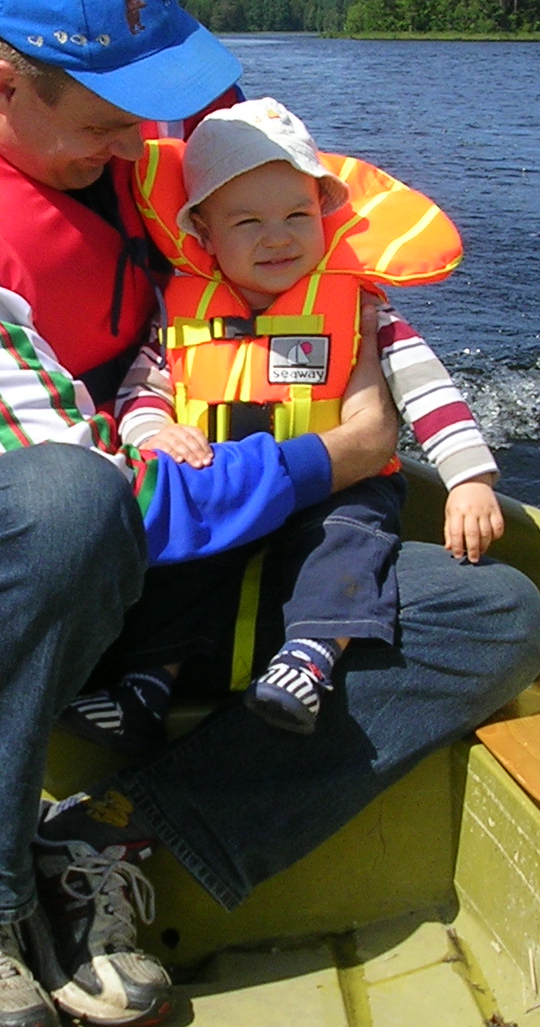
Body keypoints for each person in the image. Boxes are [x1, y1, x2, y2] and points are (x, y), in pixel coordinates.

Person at [0, 0, 540, 1027]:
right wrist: (333, 457)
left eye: (146, 110)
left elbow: (275, 200)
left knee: (493, 617)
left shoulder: (118, 139)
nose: (142, 141)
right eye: (105, 122)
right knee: (62, 504)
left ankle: (119, 835)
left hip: (157, 560)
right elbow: (113, 499)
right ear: (2, 86)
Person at [65, 97, 505, 747]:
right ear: (206, 235)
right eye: (249, 222)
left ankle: (309, 658)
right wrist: (151, 431)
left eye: (298, 215)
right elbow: (141, 387)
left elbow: (426, 389)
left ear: (324, 217)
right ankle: (146, 683)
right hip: (223, 482)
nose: (279, 237)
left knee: (346, 535)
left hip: (336, 484)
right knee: (181, 556)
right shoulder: (180, 316)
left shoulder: (361, 312)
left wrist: (469, 478)